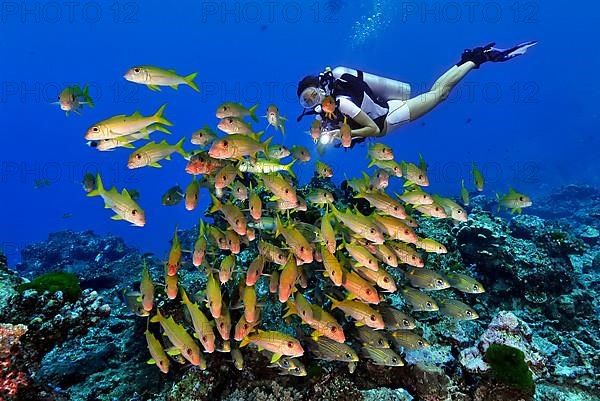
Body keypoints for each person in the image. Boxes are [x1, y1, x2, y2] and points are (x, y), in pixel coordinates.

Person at [297, 41, 537, 147]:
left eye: (311, 94)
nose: (312, 101)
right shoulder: (325, 113)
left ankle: (481, 57)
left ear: (319, 88)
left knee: (439, 94)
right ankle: (468, 59)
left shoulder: (342, 103)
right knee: (437, 91)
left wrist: (342, 134)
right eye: (306, 100)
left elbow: (372, 130)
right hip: (383, 105)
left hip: (390, 118)